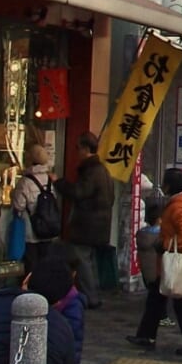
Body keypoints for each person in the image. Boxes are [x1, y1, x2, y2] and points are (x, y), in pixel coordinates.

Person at [129, 169, 182, 356]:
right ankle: (146, 335)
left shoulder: (179, 206)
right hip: (176, 262)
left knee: (181, 303)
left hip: (178, 263)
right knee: (157, 297)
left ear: (170, 185)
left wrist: (165, 244)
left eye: (165, 183)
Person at [64, 132, 114, 309]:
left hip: (87, 225)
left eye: (78, 148)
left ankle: (90, 297)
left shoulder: (92, 171)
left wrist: (59, 183)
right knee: (88, 260)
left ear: (85, 148)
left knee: (82, 260)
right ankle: (92, 294)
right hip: (98, 225)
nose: (76, 152)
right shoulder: (103, 170)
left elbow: (79, 192)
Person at [12, 142, 62, 269]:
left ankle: (31, 288)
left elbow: (18, 206)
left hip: (31, 232)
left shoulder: (26, 181)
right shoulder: (50, 179)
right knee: (46, 267)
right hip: (49, 229)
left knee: (31, 266)